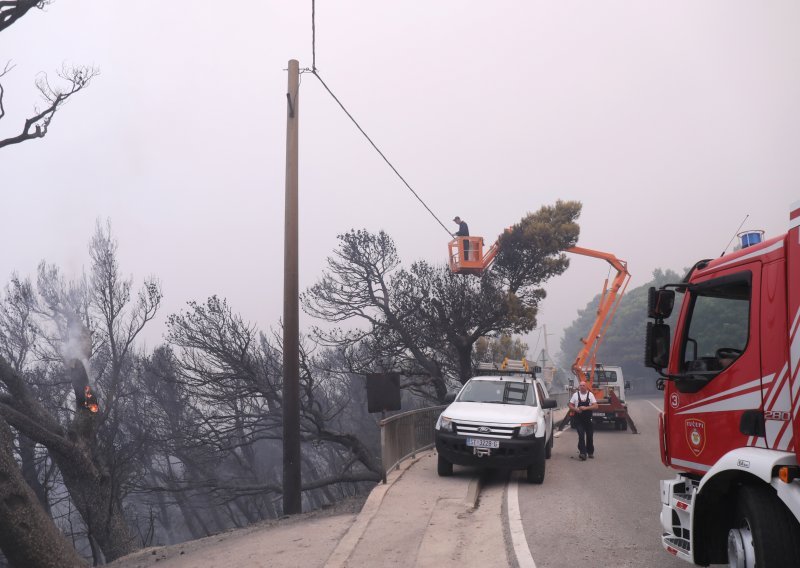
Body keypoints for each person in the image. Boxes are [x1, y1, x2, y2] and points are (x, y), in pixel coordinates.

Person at [568, 381, 599, 460]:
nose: (582, 387)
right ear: (579, 387)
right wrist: (576, 409)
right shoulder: (575, 395)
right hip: (578, 419)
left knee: (589, 436)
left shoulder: (590, 395)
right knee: (581, 435)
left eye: (583, 385)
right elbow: (570, 405)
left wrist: (586, 408)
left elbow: (596, 406)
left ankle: (590, 452)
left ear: (586, 387)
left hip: (588, 419)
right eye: (580, 385)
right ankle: (582, 453)